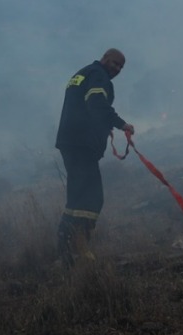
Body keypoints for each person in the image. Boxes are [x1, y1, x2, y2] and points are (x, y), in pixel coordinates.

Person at [54, 48, 135, 266]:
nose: (117, 69)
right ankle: (80, 249)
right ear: (105, 58)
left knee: (76, 198)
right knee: (91, 198)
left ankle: (64, 249)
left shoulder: (82, 73)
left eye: (121, 67)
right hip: (82, 144)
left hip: (71, 142)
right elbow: (97, 104)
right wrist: (121, 124)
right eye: (115, 63)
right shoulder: (98, 75)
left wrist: (103, 128)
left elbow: (84, 106)